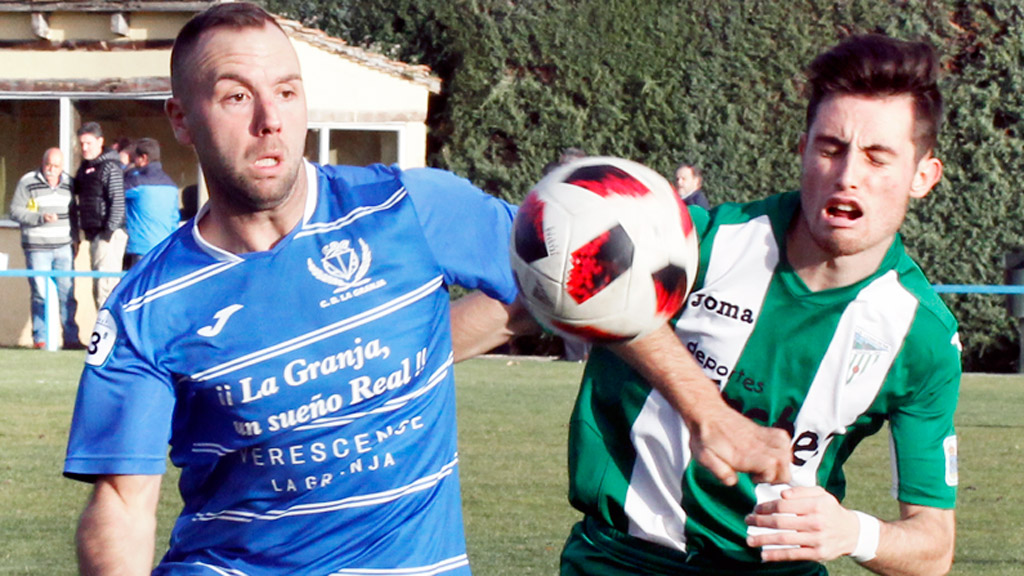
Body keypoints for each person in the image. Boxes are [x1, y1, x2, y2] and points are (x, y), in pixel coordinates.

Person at [63, 5, 790, 575]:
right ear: (181, 119)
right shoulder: (144, 311)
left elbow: (589, 277)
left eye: (287, 90)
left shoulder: (408, 208)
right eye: (234, 96)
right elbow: (123, 506)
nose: (270, 119)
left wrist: (707, 415)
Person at [561, 34, 960, 576]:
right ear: (802, 152)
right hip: (621, 562)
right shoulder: (701, 244)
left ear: (923, 177)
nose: (847, 176)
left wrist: (852, 531)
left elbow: (934, 546)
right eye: (830, 148)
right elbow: (574, 284)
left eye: (877, 157)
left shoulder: (922, 336)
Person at [9, 148, 83, 350]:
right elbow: (15, 211)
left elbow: (74, 215)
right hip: (37, 247)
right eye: (48, 164)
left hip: (63, 246)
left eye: (56, 166)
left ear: (62, 167)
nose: (51, 169)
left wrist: (76, 239)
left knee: (66, 294)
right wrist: (39, 218)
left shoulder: (69, 183)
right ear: (42, 163)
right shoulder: (28, 181)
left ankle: (71, 338)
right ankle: (40, 338)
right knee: (40, 294)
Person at [74, 121, 127, 309]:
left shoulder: (110, 168)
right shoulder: (85, 169)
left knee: (106, 289)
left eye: (88, 143)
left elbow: (118, 202)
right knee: (98, 288)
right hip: (94, 233)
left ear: (100, 141)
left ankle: (108, 336)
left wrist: (108, 233)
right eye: (81, 144)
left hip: (108, 236)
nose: (84, 148)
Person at [122, 137, 181, 269]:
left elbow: (113, 192)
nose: (133, 162)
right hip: (165, 247)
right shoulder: (171, 185)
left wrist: (123, 167)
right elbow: (174, 219)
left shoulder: (136, 182)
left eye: (134, 158)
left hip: (141, 247)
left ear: (144, 158)